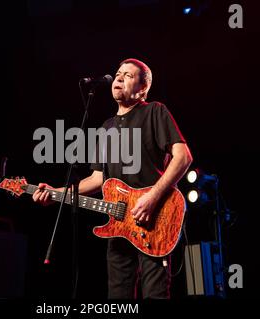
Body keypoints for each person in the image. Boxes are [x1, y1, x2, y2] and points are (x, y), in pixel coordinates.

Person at [32, 58, 193, 299]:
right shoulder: (106, 128)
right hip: (118, 227)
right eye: (118, 73)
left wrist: (152, 198)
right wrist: (55, 193)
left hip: (155, 218)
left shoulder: (154, 111)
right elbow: (97, 179)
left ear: (142, 88)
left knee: (155, 295)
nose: (118, 77)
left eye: (128, 75)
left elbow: (183, 157)